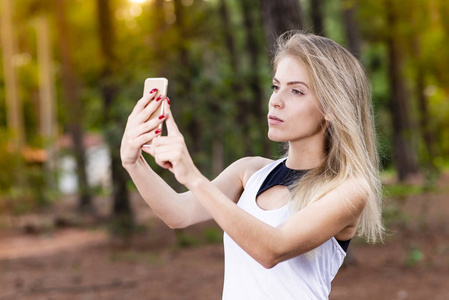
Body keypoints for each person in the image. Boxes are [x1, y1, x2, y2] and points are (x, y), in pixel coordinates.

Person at [120, 31, 384, 300]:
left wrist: (194, 178)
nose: (276, 100)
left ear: (331, 106)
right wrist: (133, 162)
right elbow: (178, 214)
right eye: (275, 86)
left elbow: (273, 249)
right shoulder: (251, 172)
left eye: (296, 91)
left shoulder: (349, 189)